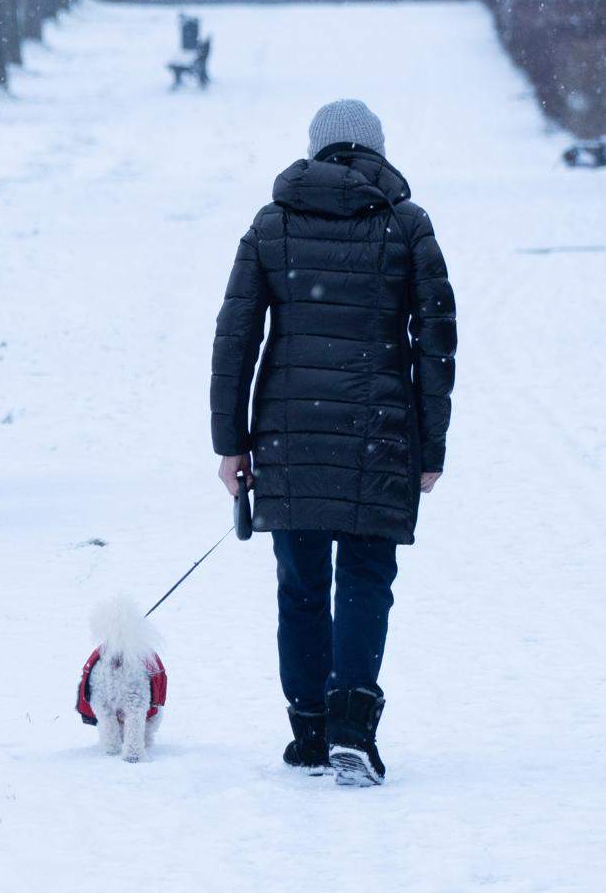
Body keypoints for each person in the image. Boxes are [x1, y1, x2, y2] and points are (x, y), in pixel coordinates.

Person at [210, 98, 456, 786]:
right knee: (367, 581)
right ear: (376, 151)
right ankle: (353, 723)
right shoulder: (407, 226)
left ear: (316, 151)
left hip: (290, 436)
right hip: (378, 435)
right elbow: (435, 344)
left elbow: (236, 340)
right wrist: (431, 447)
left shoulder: (272, 224)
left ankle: (310, 730)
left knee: (301, 587)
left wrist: (231, 443)